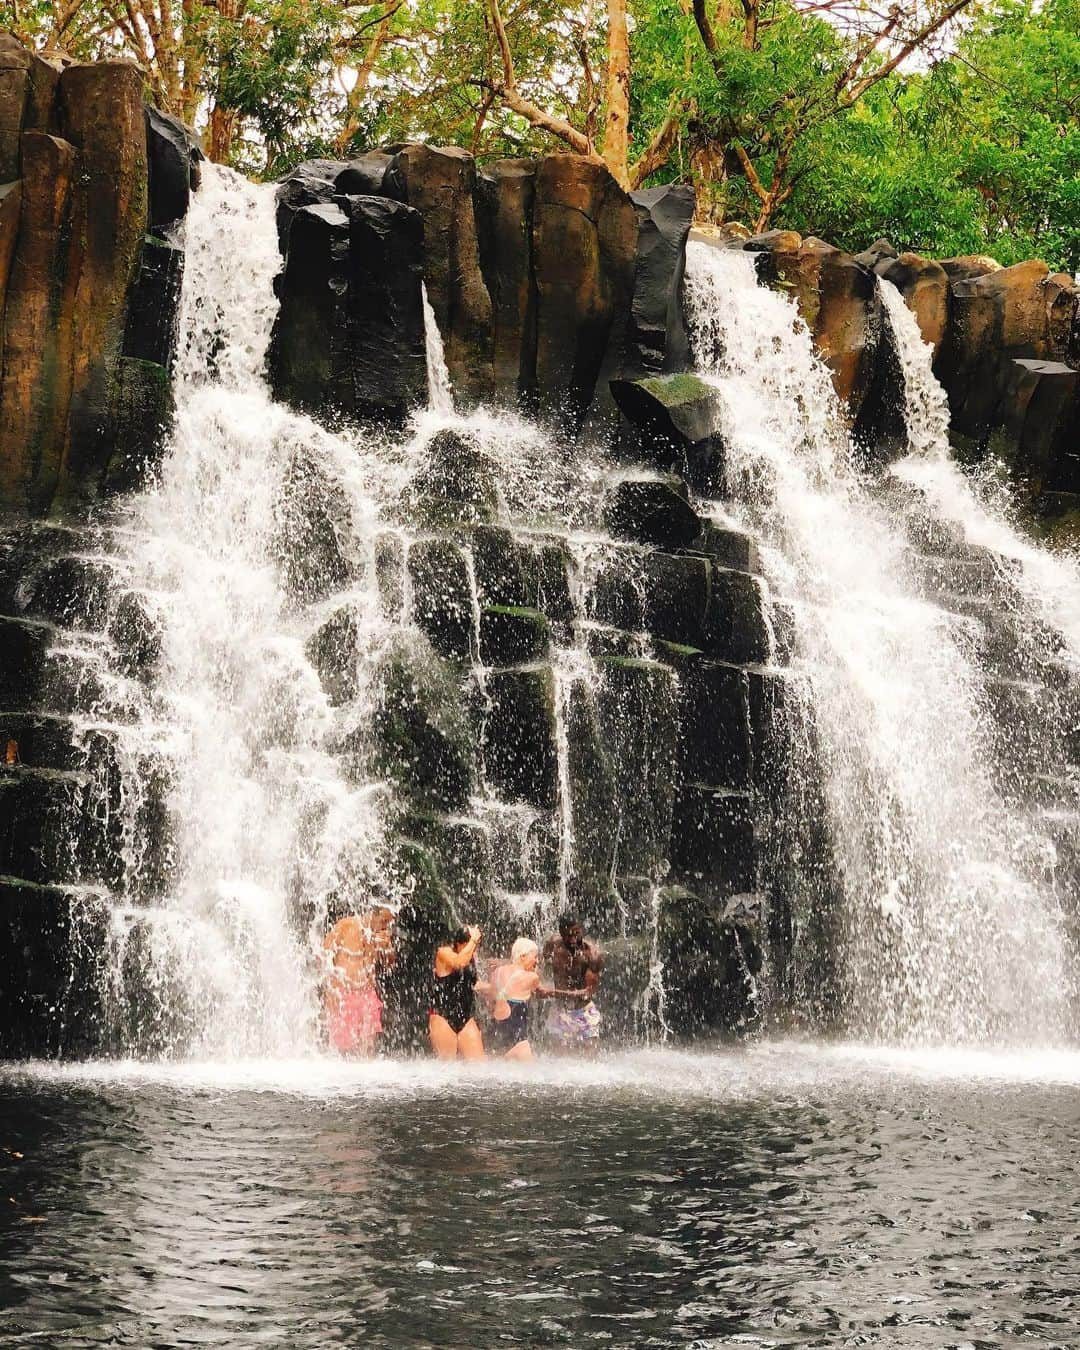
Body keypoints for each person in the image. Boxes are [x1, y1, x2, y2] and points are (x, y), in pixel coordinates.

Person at [322, 905, 395, 1057]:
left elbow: (390, 965)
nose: (385, 927)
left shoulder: (381, 936)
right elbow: (324, 954)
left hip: (367, 994)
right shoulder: (346, 925)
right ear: (372, 915)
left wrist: (387, 949)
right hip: (343, 993)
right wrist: (329, 989)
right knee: (342, 1050)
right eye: (383, 922)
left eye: (388, 923)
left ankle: (366, 1079)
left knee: (368, 1048)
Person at [486, 937, 561, 1061]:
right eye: (535, 957)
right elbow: (541, 992)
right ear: (523, 956)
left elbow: (491, 999)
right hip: (519, 1039)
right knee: (530, 1077)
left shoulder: (497, 972)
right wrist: (565, 994)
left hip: (498, 1031)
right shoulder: (531, 977)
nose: (537, 961)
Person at [543, 913, 604, 1051]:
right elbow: (539, 965)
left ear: (582, 930)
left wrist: (553, 992)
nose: (572, 940)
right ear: (560, 932)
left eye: (576, 934)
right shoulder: (552, 945)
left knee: (590, 1063)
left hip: (584, 1012)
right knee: (558, 1064)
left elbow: (589, 991)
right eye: (568, 935)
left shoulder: (592, 955)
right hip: (560, 1011)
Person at [429, 925, 484, 1061]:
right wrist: (474, 940)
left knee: (479, 1066)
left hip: (465, 1017)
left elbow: (475, 984)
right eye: (472, 945)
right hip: (443, 1016)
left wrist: (499, 990)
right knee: (447, 1066)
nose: (475, 950)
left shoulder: (469, 957)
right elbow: (458, 962)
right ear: (460, 944)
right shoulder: (444, 952)